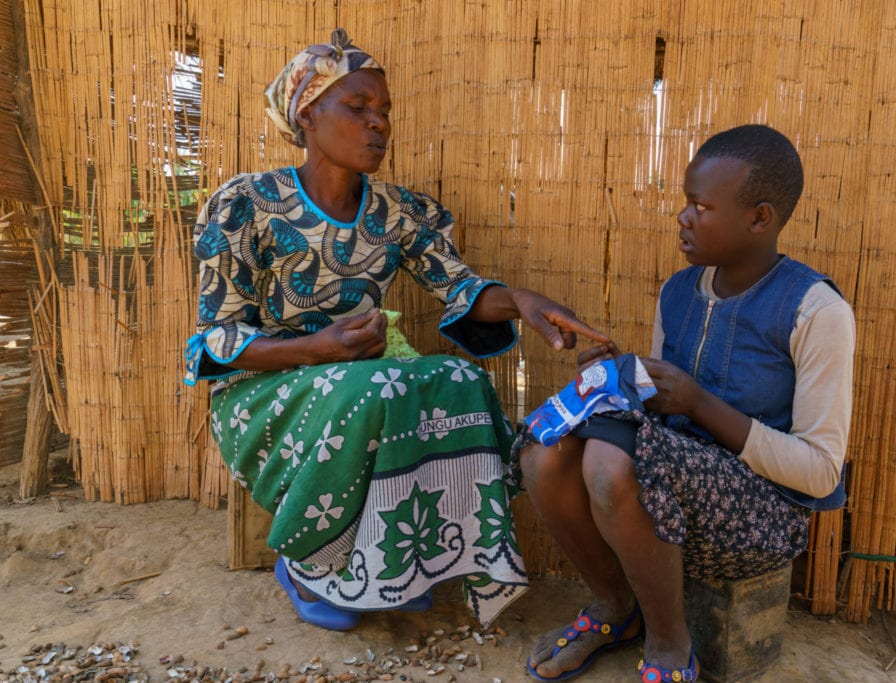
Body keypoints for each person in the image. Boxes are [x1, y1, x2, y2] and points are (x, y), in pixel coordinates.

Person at [182, 28, 609, 632]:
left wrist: (519, 300)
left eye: (384, 111)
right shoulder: (247, 205)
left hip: (360, 381)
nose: (378, 124)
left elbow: (459, 287)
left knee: (460, 378)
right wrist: (316, 350)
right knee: (377, 388)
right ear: (307, 113)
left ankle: (404, 562)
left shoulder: (397, 212)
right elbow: (216, 339)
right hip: (264, 392)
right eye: (357, 108)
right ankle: (311, 563)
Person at [514, 124, 855, 681]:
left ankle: (671, 648)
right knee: (545, 449)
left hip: (761, 518)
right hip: (666, 497)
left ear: (759, 218)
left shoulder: (816, 311)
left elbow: (819, 473)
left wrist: (697, 403)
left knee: (608, 457)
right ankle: (614, 609)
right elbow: (653, 424)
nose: (684, 217)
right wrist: (624, 382)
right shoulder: (679, 292)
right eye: (685, 203)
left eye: (700, 206)